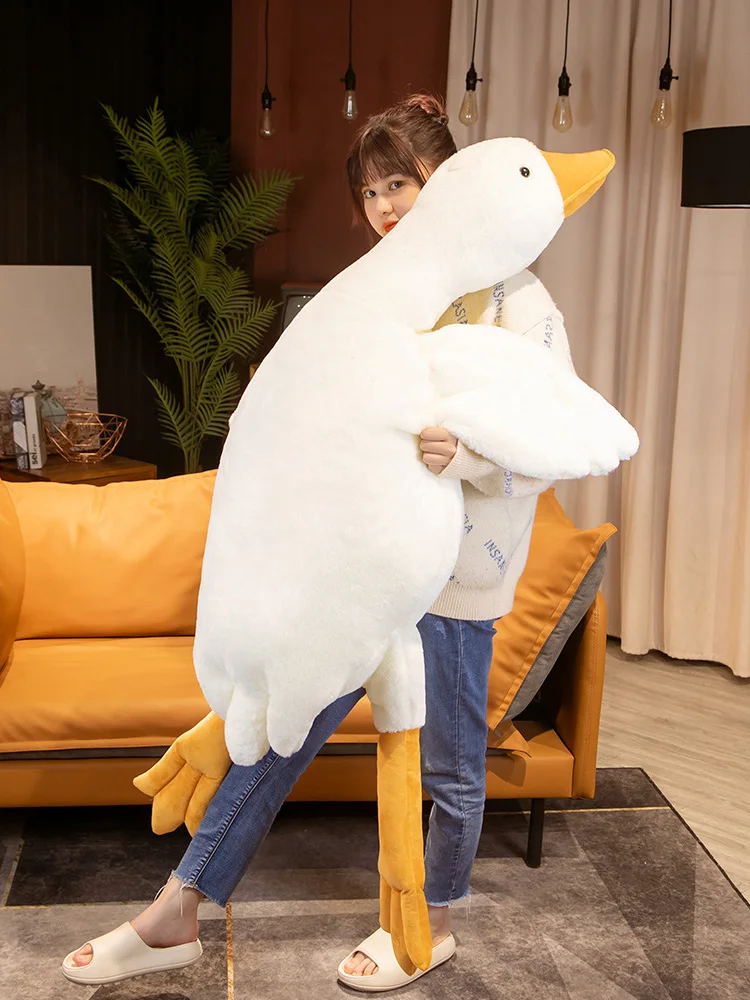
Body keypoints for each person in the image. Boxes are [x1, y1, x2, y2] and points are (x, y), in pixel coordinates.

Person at [63, 94, 574, 991]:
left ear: (449, 178)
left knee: (452, 764)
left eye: (399, 183)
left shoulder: (521, 299)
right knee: (277, 737)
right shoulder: (377, 291)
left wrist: (470, 457)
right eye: (370, 191)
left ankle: (427, 924)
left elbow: (556, 438)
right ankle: (176, 911)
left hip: (458, 577)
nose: (383, 207)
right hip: (361, 573)